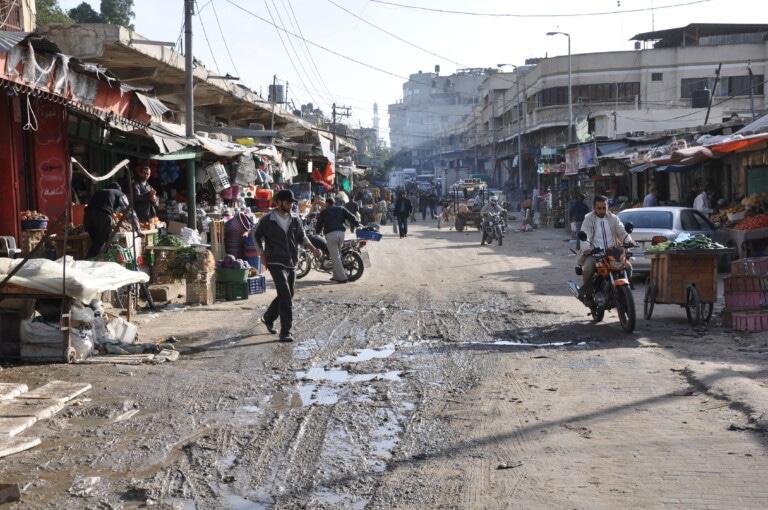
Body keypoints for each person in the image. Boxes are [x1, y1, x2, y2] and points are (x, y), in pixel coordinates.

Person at [254, 190, 322, 342]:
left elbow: (302, 237)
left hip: (291, 261)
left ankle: (268, 316)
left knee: (289, 293)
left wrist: (313, 249)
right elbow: (256, 236)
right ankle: (286, 331)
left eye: (292, 202)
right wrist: (261, 254)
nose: (291, 205)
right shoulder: (267, 220)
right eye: (288, 202)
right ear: (279, 203)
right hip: (274, 261)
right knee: (285, 294)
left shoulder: (295, 219)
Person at [578, 195, 634, 301]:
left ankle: (625, 290)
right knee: (588, 269)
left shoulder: (613, 218)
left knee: (628, 267)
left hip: (612, 252)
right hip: (595, 253)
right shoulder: (588, 219)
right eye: (599, 208)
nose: (602, 210)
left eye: (604, 207)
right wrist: (587, 248)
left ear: (607, 207)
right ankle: (588, 294)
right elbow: (585, 234)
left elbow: (622, 231)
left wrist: (629, 240)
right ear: (594, 208)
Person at [84, 182, 139, 259]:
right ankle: (89, 262)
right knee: (101, 242)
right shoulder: (120, 193)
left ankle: (96, 261)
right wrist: (137, 229)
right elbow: (130, 211)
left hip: (87, 217)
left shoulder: (100, 192)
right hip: (102, 216)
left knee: (97, 242)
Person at [315, 196, 359, 283]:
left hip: (331, 235)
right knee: (337, 255)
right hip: (341, 234)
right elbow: (351, 216)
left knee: (335, 257)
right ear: (334, 203)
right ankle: (336, 276)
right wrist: (357, 224)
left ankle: (343, 278)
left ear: (327, 203)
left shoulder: (324, 211)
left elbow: (319, 223)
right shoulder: (341, 209)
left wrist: (317, 232)